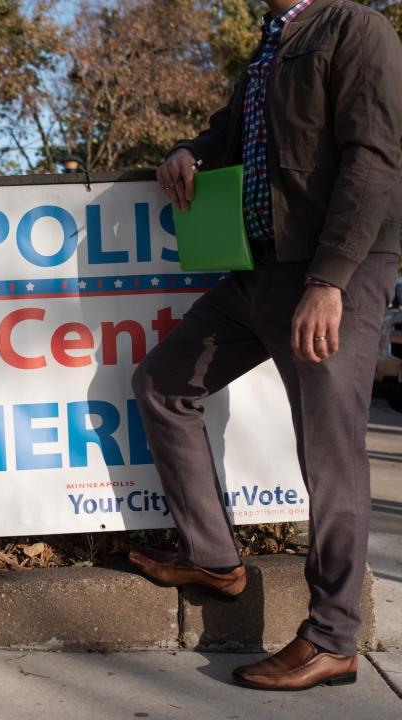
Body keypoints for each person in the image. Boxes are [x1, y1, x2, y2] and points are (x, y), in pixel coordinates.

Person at [128, 0, 402, 691]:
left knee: (330, 453)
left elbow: (376, 156)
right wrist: (194, 150)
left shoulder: (354, 27)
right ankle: (215, 558)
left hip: (328, 271)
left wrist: (331, 279)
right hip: (255, 269)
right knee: (163, 382)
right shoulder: (270, 44)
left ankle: (334, 637)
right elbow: (237, 134)